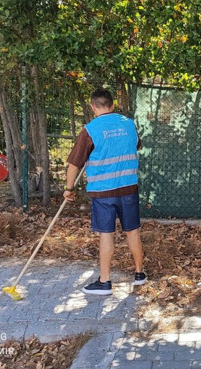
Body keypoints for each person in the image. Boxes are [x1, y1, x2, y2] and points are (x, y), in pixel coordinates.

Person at [64, 89, 146, 295]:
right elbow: (136, 146)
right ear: (113, 104)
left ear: (93, 107)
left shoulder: (90, 130)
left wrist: (69, 189)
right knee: (133, 231)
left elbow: (74, 165)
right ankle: (139, 274)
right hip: (128, 188)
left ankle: (105, 282)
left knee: (107, 234)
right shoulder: (129, 124)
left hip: (103, 193)